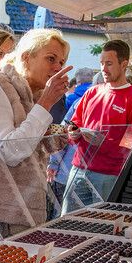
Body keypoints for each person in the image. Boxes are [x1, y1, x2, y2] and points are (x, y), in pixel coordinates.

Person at [0, 28, 71, 255]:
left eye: (62, 61)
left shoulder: (29, 96)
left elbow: (30, 146)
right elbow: (10, 150)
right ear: (26, 57)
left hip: (21, 211)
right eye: (51, 59)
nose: (58, 67)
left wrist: (61, 135)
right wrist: (46, 103)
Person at [62, 40, 132, 213]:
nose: (103, 68)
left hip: (110, 174)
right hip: (79, 168)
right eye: (101, 63)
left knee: (103, 225)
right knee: (67, 223)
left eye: (109, 63)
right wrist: (74, 132)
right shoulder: (92, 92)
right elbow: (75, 122)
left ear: (124, 64)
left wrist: (104, 143)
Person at [48, 67, 95, 214]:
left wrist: (53, 163)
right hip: (91, 172)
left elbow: (61, 133)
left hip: (68, 170)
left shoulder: (73, 101)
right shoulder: (80, 102)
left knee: (61, 215)